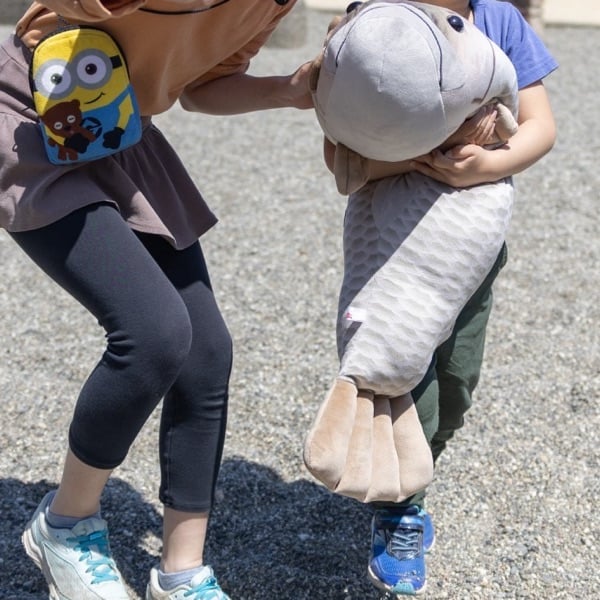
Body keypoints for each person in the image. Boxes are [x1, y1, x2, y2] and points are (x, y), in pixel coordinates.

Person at [0, 1, 312, 599]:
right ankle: (65, 527)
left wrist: (289, 90)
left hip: (119, 129)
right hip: (33, 113)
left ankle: (181, 574)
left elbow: (204, 87)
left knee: (206, 352)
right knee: (154, 333)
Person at [355, 0, 558, 596]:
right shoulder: (377, 20)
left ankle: (411, 469)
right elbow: (343, 146)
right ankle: (401, 509)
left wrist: (486, 164)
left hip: (473, 244)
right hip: (394, 237)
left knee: (456, 383)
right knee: (404, 374)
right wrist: (410, 153)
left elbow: (541, 126)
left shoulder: (499, 19)